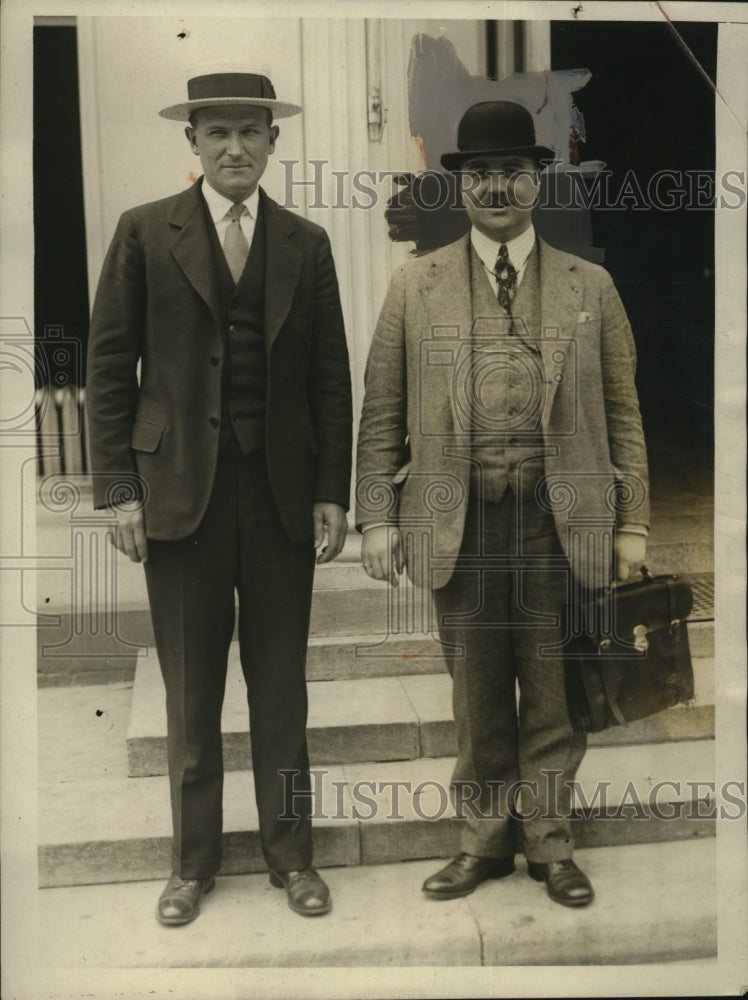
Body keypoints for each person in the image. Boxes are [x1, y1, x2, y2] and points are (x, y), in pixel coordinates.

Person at [356, 101, 648, 907]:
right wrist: (377, 516)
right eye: (479, 174)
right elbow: (381, 409)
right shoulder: (416, 285)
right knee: (477, 694)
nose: (495, 187)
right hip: (462, 523)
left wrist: (634, 524)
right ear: (460, 187)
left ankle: (551, 847)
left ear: (536, 180)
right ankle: (481, 843)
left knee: (556, 695)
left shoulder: (592, 284)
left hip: (562, 525)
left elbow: (623, 412)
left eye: (512, 172)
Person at [86, 62, 352, 925]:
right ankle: (190, 865)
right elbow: (108, 370)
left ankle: (293, 860)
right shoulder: (141, 232)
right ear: (192, 143)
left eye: (251, 132)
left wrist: (330, 492)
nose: (235, 146)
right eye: (218, 132)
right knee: (191, 694)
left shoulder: (306, 244)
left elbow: (328, 380)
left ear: (274, 143)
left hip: (278, 500)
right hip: (177, 502)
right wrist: (120, 490)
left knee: (282, 690)